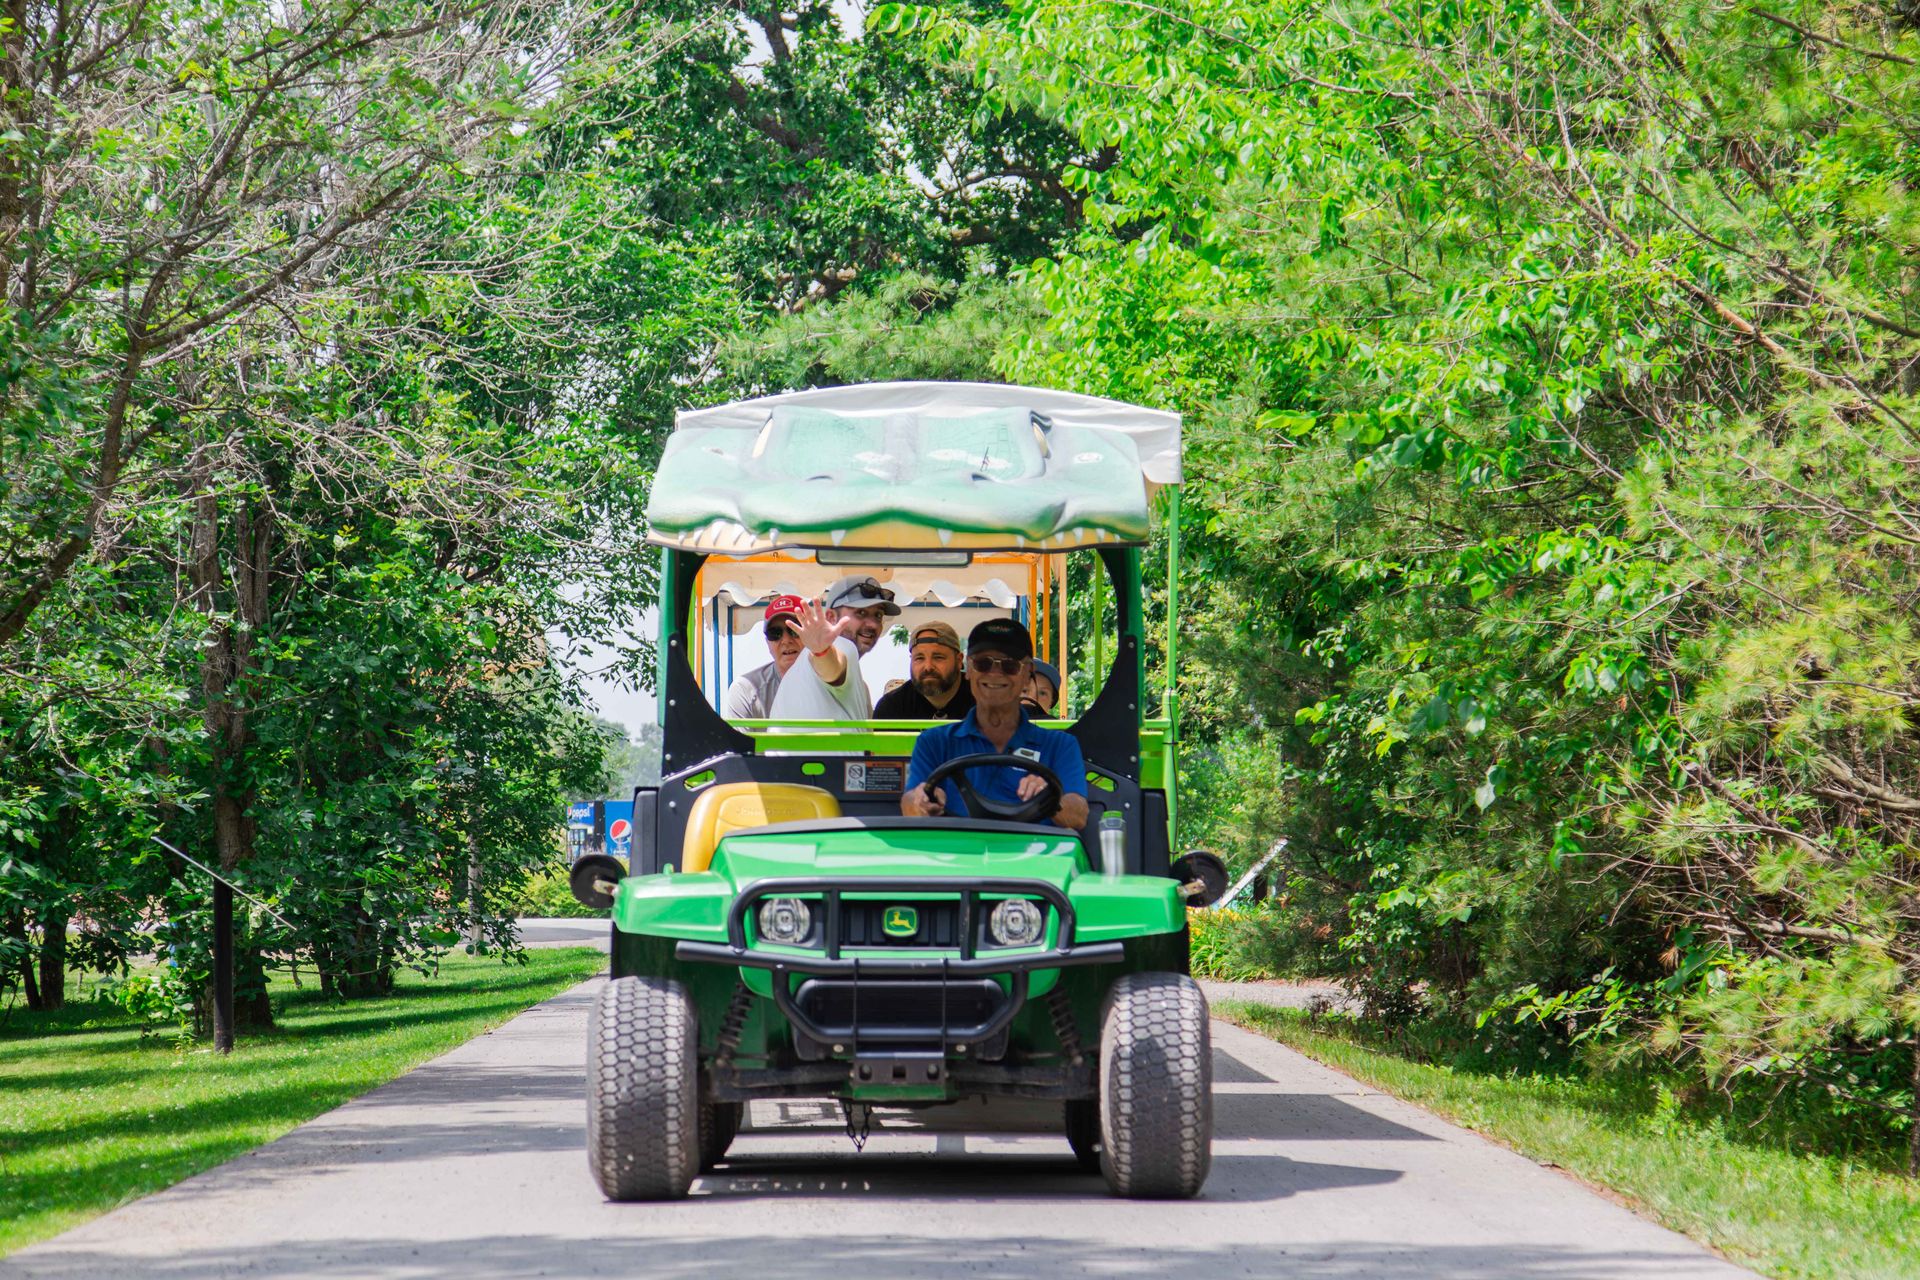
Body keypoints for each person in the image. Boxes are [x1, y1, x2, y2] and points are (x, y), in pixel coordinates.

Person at [900, 618, 1090, 830]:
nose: (995, 673)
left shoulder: (1060, 746)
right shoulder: (933, 742)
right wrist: (921, 801)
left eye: (1009, 665)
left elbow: (1078, 815)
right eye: (984, 663)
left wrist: (1050, 800)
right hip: (958, 858)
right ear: (969, 669)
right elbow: (910, 807)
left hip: (1034, 857)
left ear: (1027, 674)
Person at [767, 574, 899, 720]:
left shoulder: (861, 686)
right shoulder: (842, 647)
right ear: (831, 617)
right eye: (861, 613)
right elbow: (833, 668)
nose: (873, 624)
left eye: (878, 615)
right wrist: (822, 652)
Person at [722, 595, 806, 719]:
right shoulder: (745, 690)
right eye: (775, 633)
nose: (786, 640)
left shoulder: (835, 680)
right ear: (767, 642)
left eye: (794, 630)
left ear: (813, 634)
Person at [873, 620, 975, 721]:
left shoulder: (986, 701)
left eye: (938, 657)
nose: (928, 667)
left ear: (959, 660)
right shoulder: (891, 708)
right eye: (919, 658)